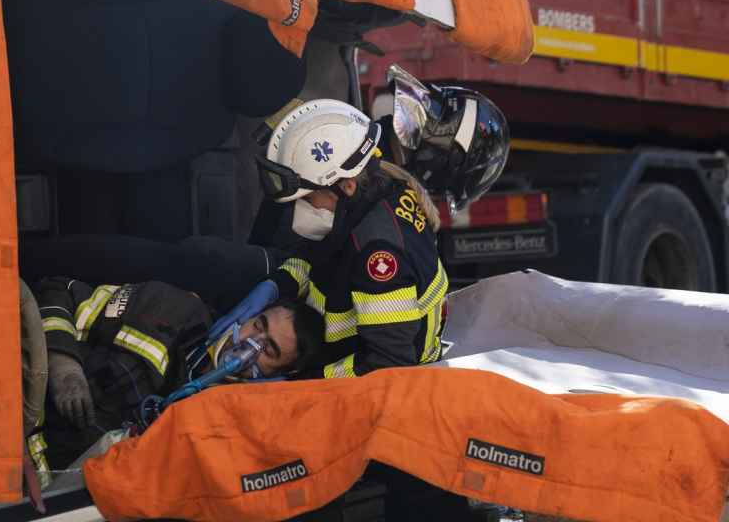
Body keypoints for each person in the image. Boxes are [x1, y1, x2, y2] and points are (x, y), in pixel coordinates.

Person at [215, 65, 511, 378]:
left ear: (346, 187)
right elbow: (317, 256)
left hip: (363, 385)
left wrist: (301, 386)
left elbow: (386, 365)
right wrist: (276, 285)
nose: (300, 207)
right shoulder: (371, 194)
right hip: (330, 346)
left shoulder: (380, 252)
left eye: (307, 196)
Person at [26, 277, 325, 471]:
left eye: (269, 350)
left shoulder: (226, 436)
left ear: (277, 377)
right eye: (258, 325)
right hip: (11, 406)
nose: (249, 344)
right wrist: (62, 362)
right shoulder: (170, 309)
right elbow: (58, 291)